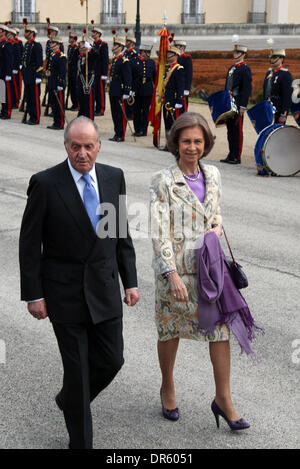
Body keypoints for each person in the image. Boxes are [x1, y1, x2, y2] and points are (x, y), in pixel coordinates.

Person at [19, 116, 140, 449]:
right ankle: (81, 442)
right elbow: (29, 245)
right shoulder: (45, 183)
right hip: (64, 294)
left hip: (104, 289)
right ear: (66, 147)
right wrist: (33, 294)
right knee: (78, 371)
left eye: (89, 146)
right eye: (76, 147)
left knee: (113, 359)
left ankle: (71, 399)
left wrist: (130, 280)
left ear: (98, 146)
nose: (82, 153)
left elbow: (119, 234)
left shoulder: (113, 178)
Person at [150, 112, 251, 430]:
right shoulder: (163, 181)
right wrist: (170, 273)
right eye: (186, 141)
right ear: (175, 144)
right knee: (171, 330)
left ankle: (224, 399)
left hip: (209, 271)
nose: (192, 147)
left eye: (198, 141)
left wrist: (217, 228)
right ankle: (168, 386)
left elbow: (215, 214)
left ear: (206, 143)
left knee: (220, 332)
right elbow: (158, 230)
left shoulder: (215, 175)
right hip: (177, 273)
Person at [220, 43, 252, 165]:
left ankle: (236, 156)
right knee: (230, 129)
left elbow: (246, 89)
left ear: (243, 54)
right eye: (234, 52)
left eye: (238, 53)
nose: (235, 54)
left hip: (238, 102)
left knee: (237, 129)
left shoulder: (245, 69)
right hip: (229, 102)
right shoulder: (232, 68)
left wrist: (243, 105)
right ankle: (231, 153)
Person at [108, 36, 132, 142]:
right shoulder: (115, 60)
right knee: (114, 113)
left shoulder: (124, 61)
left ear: (121, 47)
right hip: (113, 89)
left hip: (120, 90)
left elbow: (127, 77)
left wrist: (127, 91)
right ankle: (117, 132)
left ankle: (121, 134)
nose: (113, 47)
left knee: (120, 113)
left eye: (115, 45)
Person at [161, 45, 185, 150]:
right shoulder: (169, 68)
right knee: (167, 123)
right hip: (168, 100)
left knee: (174, 123)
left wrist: (179, 100)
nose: (167, 55)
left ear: (175, 55)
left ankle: (174, 145)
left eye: (170, 53)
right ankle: (169, 144)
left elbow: (180, 86)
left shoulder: (178, 69)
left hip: (174, 100)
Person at [263, 48, 293, 125]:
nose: (272, 60)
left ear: (281, 59)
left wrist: (284, 114)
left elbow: (287, 96)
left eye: (274, 57)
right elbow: (265, 91)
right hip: (268, 108)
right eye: (271, 57)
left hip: (278, 109)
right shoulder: (269, 73)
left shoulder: (286, 74)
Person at [132, 43, 156, 137]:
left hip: (147, 90)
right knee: (137, 111)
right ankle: (137, 129)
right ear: (141, 52)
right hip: (137, 89)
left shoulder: (151, 62)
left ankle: (144, 130)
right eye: (147, 52)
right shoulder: (134, 61)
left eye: (149, 52)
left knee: (145, 111)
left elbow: (154, 76)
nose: (149, 54)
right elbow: (131, 76)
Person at [21, 25, 43, 125]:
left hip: (34, 74)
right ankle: (30, 115)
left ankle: (36, 118)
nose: (25, 34)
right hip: (27, 74)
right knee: (29, 97)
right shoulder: (27, 44)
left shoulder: (36, 45)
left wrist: (38, 76)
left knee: (34, 97)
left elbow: (40, 63)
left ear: (32, 33)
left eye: (27, 32)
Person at [46, 37, 67, 130]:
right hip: (51, 81)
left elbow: (62, 72)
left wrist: (60, 83)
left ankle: (60, 123)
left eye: (53, 43)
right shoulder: (52, 55)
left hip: (57, 82)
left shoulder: (61, 56)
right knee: (53, 103)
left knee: (59, 104)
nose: (51, 44)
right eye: (51, 42)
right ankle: (56, 121)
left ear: (58, 45)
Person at [77, 38, 97, 120]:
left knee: (88, 103)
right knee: (82, 102)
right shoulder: (81, 56)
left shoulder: (91, 55)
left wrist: (90, 48)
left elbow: (96, 55)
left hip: (88, 81)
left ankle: (89, 121)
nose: (80, 46)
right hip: (81, 81)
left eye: (82, 44)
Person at [92, 26, 109, 116]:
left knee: (100, 91)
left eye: (94, 32)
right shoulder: (94, 44)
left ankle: (101, 109)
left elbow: (105, 60)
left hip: (100, 72)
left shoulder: (103, 45)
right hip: (95, 72)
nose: (92, 34)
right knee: (95, 91)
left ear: (98, 34)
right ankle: (97, 108)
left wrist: (104, 74)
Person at [175, 39, 193, 112]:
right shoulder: (175, 58)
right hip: (175, 87)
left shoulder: (186, 58)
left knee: (183, 109)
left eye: (177, 47)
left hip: (183, 87)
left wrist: (187, 89)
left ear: (182, 48)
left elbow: (189, 74)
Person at [0, 24, 13, 120]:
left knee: (6, 93)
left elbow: (9, 60)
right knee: (1, 94)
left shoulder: (7, 44)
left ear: (3, 32)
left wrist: (8, 74)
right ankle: (3, 111)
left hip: (4, 72)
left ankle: (7, 112)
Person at [66, 32, 79, 111]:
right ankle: (73, 103)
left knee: (75, 88)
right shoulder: (70, 48)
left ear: (74, 39)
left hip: (74, 70)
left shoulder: (76, 48)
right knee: (71, 88)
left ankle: (76, 104)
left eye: (71, 38)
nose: (69, 39)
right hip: (70, 70)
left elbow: (77, 60)